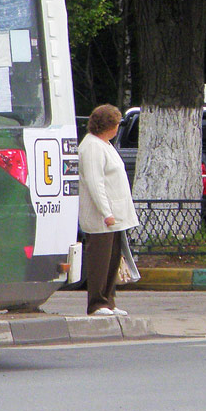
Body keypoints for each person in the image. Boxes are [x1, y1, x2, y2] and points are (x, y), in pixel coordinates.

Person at [78, 104, 139, 317]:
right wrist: (106, 212)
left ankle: (108, 301)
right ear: (108, 125)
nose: (118, 127)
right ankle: (96, 303)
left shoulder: (105, 144)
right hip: (102, 217)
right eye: (116, 123)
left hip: (114, 216)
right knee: (100, 261)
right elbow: (96, 183)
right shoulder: (92, 146)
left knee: (113, 260)